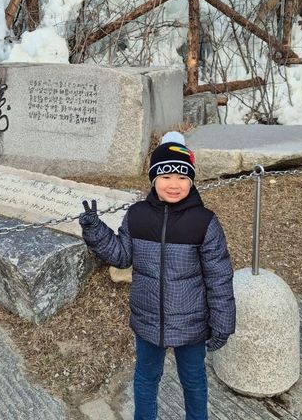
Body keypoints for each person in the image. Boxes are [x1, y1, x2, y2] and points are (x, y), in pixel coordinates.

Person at [79, 131, 235, 420]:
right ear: (153, 179)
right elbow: (121, 255)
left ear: (191, 181)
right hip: (148, 319)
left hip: (191, 323)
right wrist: (95, 231)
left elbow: (219, 277)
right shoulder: (138, 215)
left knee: (194, 380)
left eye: (182, 177)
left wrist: (223, 321)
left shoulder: (204, 222)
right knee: (146, 379)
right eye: (165, 176)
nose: (173, 184)